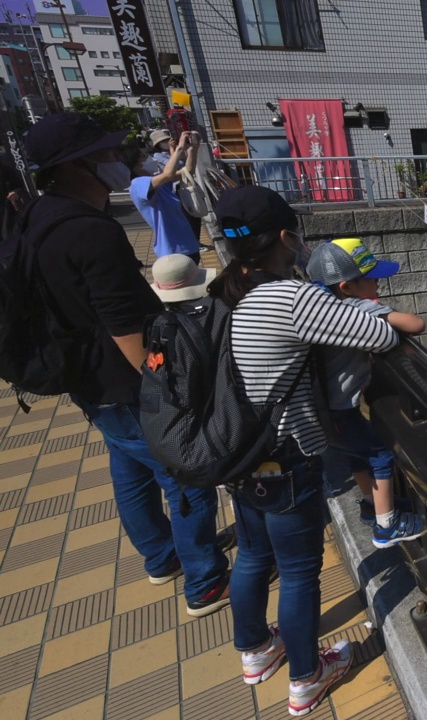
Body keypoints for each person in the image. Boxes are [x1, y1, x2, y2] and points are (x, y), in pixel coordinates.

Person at [18, 112, 230, 617]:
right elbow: (122, 324)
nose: (121, 161)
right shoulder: (90, 233)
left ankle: (160, 557)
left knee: (129, 466)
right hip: (125, 379)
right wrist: (167, 390)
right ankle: (203, 581)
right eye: (109, 155)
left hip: (84, 375)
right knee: (184, 473)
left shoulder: (38, 217)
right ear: (78, 166)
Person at [210, 185, 399, 713]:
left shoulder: (229, 289)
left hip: (240, 451)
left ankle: (254, 651)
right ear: (288, 237)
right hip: (285, 454)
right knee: (297, 573)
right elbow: (378, 334)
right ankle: (307, 677)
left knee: (252, 556)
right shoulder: (291, 297)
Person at [306, 238, 427, 548]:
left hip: (321, 408)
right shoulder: (353, 309)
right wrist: (382, 312)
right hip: (339, 409)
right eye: (372, 279)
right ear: (346, 287)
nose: (378, 284)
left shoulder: (319, 303)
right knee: (380, 456)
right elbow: (416, 324)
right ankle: (387, 526)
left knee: (356, 455)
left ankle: (372, 506)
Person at [129, 131, 202, 262]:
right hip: (173, 251)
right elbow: (168, 174)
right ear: (136, 163)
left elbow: (187, 171)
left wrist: (193, 150)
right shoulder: (138, 184)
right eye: (144, 156)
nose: (149, 159)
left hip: (188, 245)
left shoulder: (157, 183)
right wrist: (178, 148)